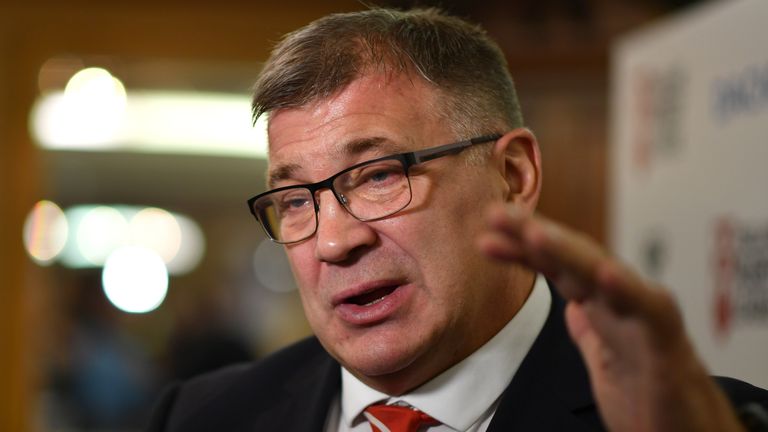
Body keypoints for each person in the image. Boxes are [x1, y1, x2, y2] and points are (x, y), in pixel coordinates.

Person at [147, 7, 768, 432]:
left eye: (380, 175)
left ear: (514, 176)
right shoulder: (200, 416)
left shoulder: (701, 420)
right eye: (295, 200)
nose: (334, 241)